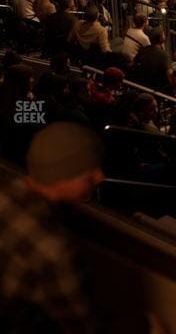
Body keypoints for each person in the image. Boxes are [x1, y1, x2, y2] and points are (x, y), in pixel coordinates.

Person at [0, 123, 104, 332]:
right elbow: (83, 327)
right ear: (60, 177)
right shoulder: (55, 250)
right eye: (87, 174)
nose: (100, 177)